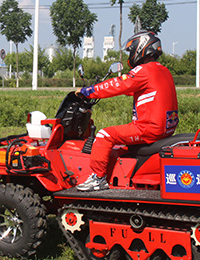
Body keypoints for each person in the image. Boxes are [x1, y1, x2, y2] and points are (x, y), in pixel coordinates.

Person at [74, 29, 179, 191]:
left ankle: (98, 179)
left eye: (131, 51)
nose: (130, 55)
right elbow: (136, 89)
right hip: (166, 128)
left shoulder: (143, 70)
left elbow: (118, 84)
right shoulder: (163, 70)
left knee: (105, 135)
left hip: (148, 129)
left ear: (140, 48)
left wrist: (88, 91)